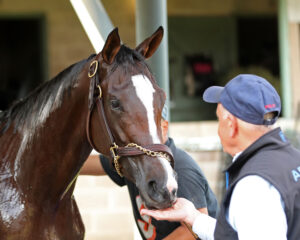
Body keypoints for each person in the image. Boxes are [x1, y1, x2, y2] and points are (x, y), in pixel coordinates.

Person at [141, 74, 300, 240]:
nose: (218, 130)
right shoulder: (293, 159)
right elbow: (240, 233)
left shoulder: (254, 185)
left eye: (219, 120)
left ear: (231, 125)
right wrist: (192, 217)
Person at [81, 104, 218, 240]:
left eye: (149, 124)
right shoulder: (135, 159)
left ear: (164, 128)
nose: (142, 132)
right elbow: (90, 164)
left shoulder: (182, 169)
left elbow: (193, 229)